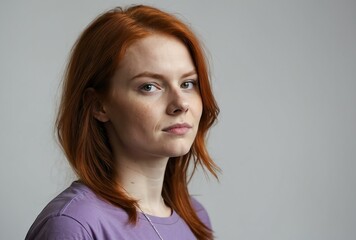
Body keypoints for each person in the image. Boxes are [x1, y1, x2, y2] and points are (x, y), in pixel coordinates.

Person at [25, 4, 219, 240]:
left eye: (187, 83)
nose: (180, 103)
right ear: (98, 105)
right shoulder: (74, 226)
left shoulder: (195, 218)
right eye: (149, 87)